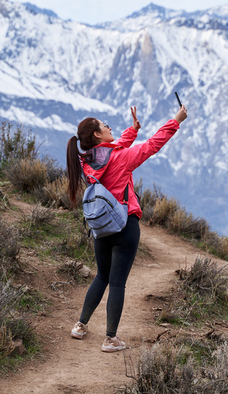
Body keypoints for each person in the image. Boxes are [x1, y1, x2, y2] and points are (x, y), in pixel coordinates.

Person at [65, 104, 188, 352]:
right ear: (97, 135)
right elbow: (152, 145)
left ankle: (80, 325)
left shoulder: (90, 160)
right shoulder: (120, 159)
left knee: (102, 275)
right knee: (117, 282)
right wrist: (176, 120)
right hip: (125, 224)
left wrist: (132, 130)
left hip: (101, 228)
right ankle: (110, 339)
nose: (109, 126)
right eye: (104, 125)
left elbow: (115, 148)